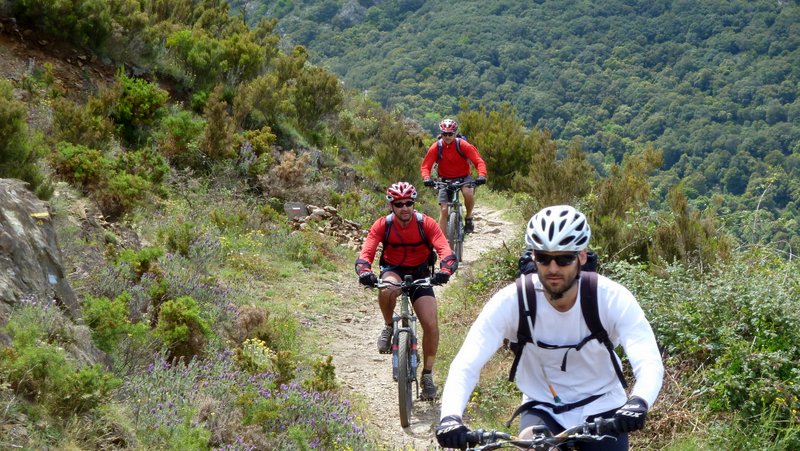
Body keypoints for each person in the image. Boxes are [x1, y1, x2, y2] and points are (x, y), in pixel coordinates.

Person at [436, 205, 663, 450]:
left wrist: (639, 402)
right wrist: (450, 416)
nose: (553, 268)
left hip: (604, 406)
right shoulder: (513, 300)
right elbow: (466, 364)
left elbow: (648, 360)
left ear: (582, 257)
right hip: (543, 407)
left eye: (564, 258)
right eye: (543, 258)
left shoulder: (610, 298)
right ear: (533, 257)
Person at [355, 181, 459, 400]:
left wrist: (446, 269)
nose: (404, 208)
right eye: (399, 204)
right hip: (393, 270)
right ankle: (388, 326)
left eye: (408, 203)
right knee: (388, 289)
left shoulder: (426, 224)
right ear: (391, 206)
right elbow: (367, 251)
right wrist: (364, 271)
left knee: (430, 324)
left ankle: (428, 375)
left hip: (421, 274)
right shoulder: (383, 225)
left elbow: (444, 249)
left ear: (414, 203)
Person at [420, 118, 488, 235]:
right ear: (441, 134)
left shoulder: (463, 145)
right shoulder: (436, 147)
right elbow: (425, 166)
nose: (447, 137)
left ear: (455, 133)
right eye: (444, 134)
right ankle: (443, 244)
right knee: (444, 210)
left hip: (464, 176)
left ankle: (469, 217)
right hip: (445, 179)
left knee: (468, 193)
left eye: (450, 134)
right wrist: (426, 178)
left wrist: (482, 175)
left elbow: (478, 161)